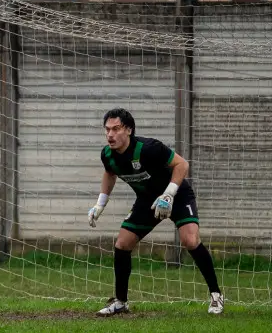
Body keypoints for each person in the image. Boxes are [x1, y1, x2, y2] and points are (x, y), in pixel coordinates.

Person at [88, 107, 223, 316]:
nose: (110, 135)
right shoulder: (107, 155)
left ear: (129, 130)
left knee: (190, 240)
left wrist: (169, 195)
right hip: (147, 201)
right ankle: (121, 302)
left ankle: (216, 295)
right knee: (122, 244)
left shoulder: (149, 148)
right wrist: (100, 204)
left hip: (177, 195)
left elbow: (182, 164)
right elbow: (110, 174)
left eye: (116, 129)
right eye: (107, 130)